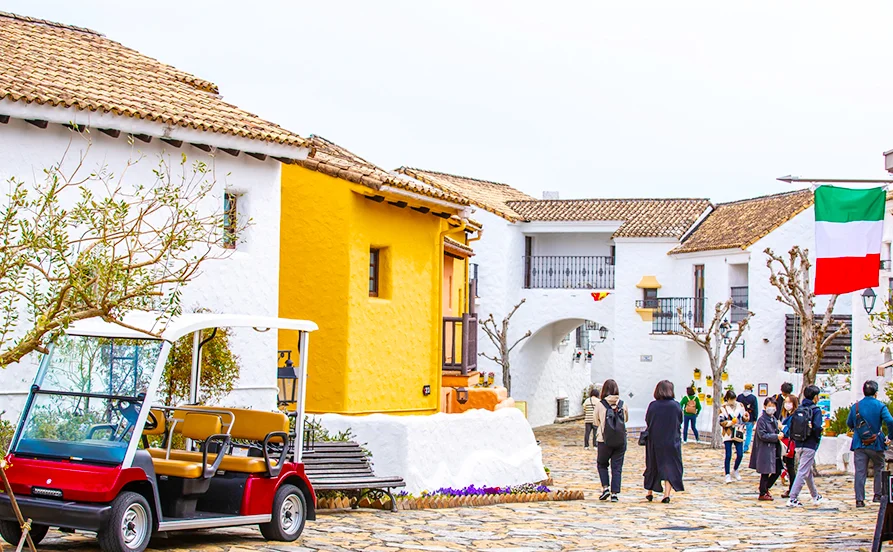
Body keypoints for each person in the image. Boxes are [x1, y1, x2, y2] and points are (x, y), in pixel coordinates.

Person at [846, 380, 893, 507]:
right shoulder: (880, 406)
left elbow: (849, 423)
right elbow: (890, 421)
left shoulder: (855, 407)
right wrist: (890, 436)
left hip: (859, 443)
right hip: (876, 443)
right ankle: (878, 495)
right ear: (876, 393)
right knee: (879, 467)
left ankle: (859, 499)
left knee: (860, 471)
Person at [786, 385, 828, 507]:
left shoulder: (798, 409)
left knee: (807, 470)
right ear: (815, 397)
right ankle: (793, 497)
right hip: (810, 444)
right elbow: (817, 427)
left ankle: (815, 496)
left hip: (798, 443)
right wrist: (816, 438)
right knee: (803, 471)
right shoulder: (816, 410)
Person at [643, 380, 684, 503]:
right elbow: (680, 421)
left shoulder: (653, 405)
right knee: (670, 466)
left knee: (653, 465)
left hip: (655, 441)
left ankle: (649, 492)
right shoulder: (676, 406)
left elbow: (648, 420)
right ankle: (666, 494)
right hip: (671, 440)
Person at [594, 379, 629, 502]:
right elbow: (626, 420)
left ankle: (605, 488)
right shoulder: (622, 404)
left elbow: (595, 421)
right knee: (617, 466)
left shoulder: (600, 404)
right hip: (620, 440)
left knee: (602, 464)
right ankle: (615, 493)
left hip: (604, 440)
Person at [749, 397, 785, 500]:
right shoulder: (762, 420)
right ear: (765, 407)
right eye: (769, 406)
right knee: (765, 472)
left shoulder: (773, 419)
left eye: (773, 406)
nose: (772, 408)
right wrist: (775, 437)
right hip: (765, 449)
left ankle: (765, 488)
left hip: (774, 449)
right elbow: (762, 435)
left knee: (777, 470)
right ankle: (763, 492)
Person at [719, 389, 746, 483]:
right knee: (728, 454)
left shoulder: (740, 405)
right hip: (728, 433)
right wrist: (731, 422)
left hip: (738, 432)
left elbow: (744, 418)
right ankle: (727, 474)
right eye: (731, 399)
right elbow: (721, 421)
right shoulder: (723, 407)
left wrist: (745, 418)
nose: (733, 401)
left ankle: (735, 469)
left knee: (740, 453)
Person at [779, 394, 799, 498]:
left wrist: (782, 427)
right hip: (787, 443)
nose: (787, 405)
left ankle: (792, 489)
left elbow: (790, 430)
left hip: (790, 443)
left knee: (790, 467)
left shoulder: (793, 416)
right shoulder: (788, 415)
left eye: (789, 402)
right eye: (785, 402)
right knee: (789, 466)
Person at [737, 383, 758, 453]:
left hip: (740, 417)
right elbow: (755, 409)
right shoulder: (753, 398)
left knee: (739, 432)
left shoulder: (739, 397)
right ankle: (745, 447)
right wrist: (755, 418)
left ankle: (739, 446)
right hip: (750, 417)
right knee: (749, 433)